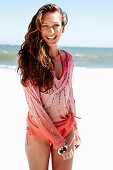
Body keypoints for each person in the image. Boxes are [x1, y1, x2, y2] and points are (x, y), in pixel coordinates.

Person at [17, 3, 81, 170]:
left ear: (63, 28)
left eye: (55, 26)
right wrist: (58, 142)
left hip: (66, 129)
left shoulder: (69, 59)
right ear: (39, 28)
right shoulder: (31, 61)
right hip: (39, 130)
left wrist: (76, 130)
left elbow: (69, 96)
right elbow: (35, 108)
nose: (51, 32)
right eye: (45, 26)